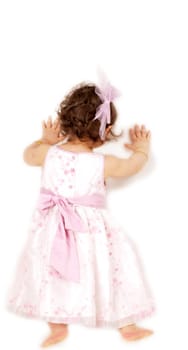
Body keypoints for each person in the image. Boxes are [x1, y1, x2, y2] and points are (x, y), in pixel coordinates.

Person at [7, 78, 155, 347]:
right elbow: (131, 167)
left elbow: (27, 156)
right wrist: (142, 150)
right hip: (91, 231)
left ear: (64, 121)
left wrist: (42, 140)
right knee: (112, 268)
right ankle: (126, 323)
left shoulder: (47, 153)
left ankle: (56, 325)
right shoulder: (103, 163)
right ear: (106, 130)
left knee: (52, 272)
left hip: (54, 228)